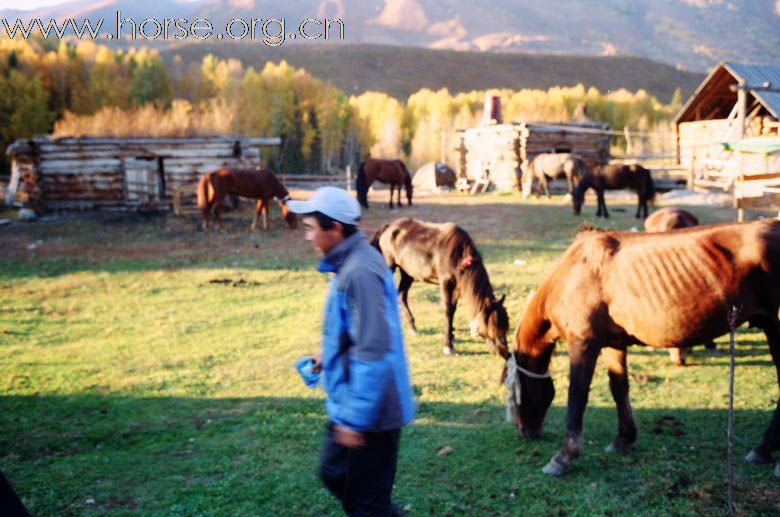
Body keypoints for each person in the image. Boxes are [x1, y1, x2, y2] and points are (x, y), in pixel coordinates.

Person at [288, 187, 416, 516]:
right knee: (335, 475)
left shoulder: (359, 271)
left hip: (371, 413)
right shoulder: (347, 263)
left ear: (336, 229)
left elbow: (374, 349)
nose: (308, 237)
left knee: (366, 504)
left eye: (311, 228)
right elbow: (356, 332)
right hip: (353, 402)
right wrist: (324, 358)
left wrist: (356, 420)